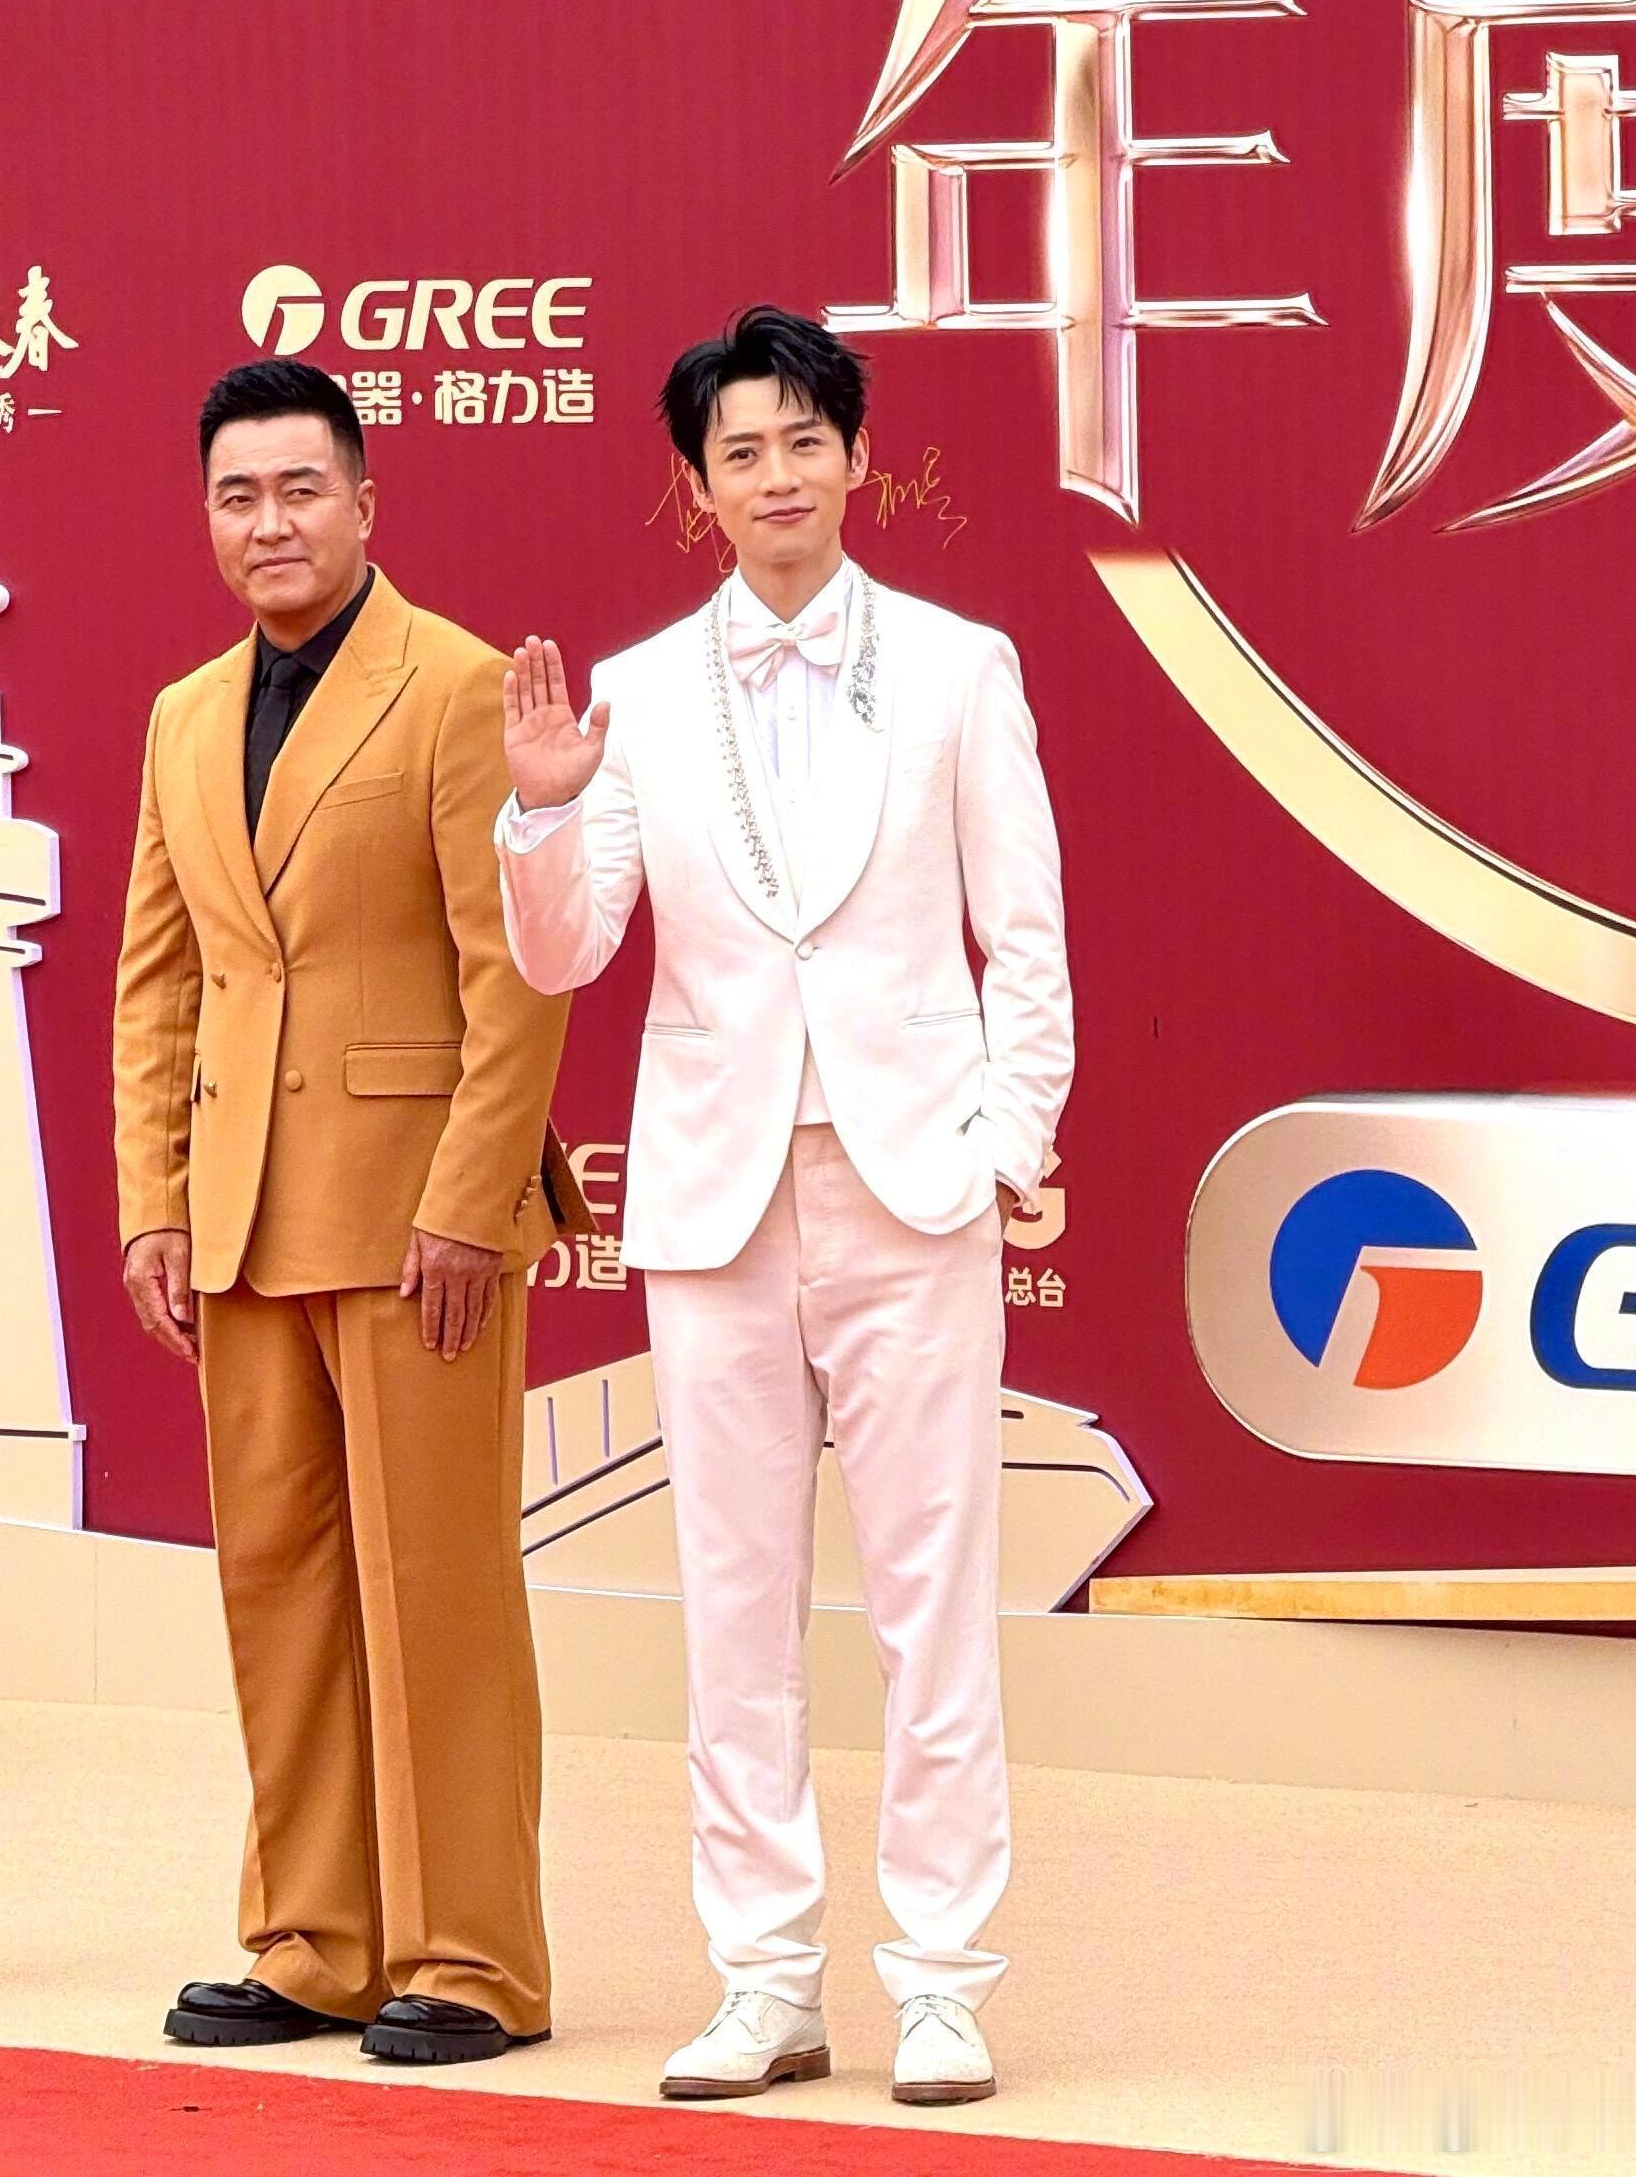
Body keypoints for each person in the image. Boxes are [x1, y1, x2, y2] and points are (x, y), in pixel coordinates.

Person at [496, 307, 1072, 2110]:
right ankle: (762, 1983)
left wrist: (1000, 1145)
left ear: (854, 456)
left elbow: (1027, 936)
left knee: (932, 1603)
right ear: (696, 485)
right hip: (713, 1199)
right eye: (738, 452)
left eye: (802, 441)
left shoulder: (961, 667)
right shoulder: (638, 692)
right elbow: (566, 954)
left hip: (913, 1188)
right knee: (731, 1611)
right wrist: (539, 818)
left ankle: (944, 1985)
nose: (774, 477)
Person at [113, 359, 581, 2066]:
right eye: (237, 495)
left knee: (434, 1588)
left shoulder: (454, 685)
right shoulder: (180, 713)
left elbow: (512, 976)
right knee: (285, 1586)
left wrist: (470, 1202)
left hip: (413, 1226)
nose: (270, 523)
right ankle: (314, 1937)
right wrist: (153, 1205)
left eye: (300, 488)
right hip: (239, 1219)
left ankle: (472, 1959)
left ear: (366, 503)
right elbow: (157, 983)